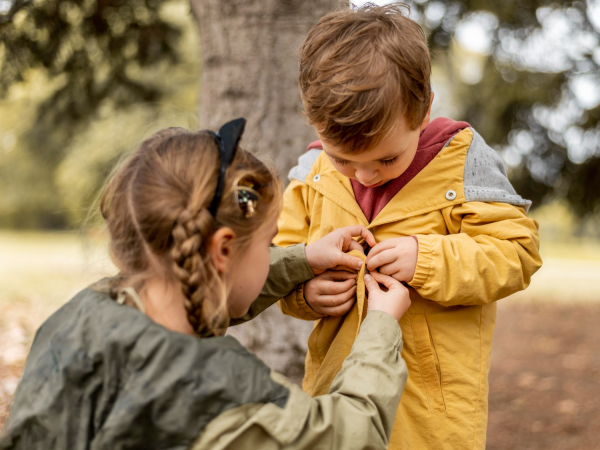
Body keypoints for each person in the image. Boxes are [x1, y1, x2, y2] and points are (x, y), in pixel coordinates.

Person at [0, 119, 412, 450]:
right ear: (222, 249)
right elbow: (348, 436)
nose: (273, 250)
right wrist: (379, 327)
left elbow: (215, 285)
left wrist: (302, 259)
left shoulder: (78, 317)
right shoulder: (220, 394)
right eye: (268, 243)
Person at [275, 4, 543, 449]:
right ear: (313, 120)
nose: (365, 176)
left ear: (423, 111)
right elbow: (282, 261)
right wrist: (305, 294)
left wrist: (428, 257)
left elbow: (516, 252)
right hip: (336, 409)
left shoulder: (461, 162)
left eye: (386, 158)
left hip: (431, 420)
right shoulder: (310, 176)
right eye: (343, 159)